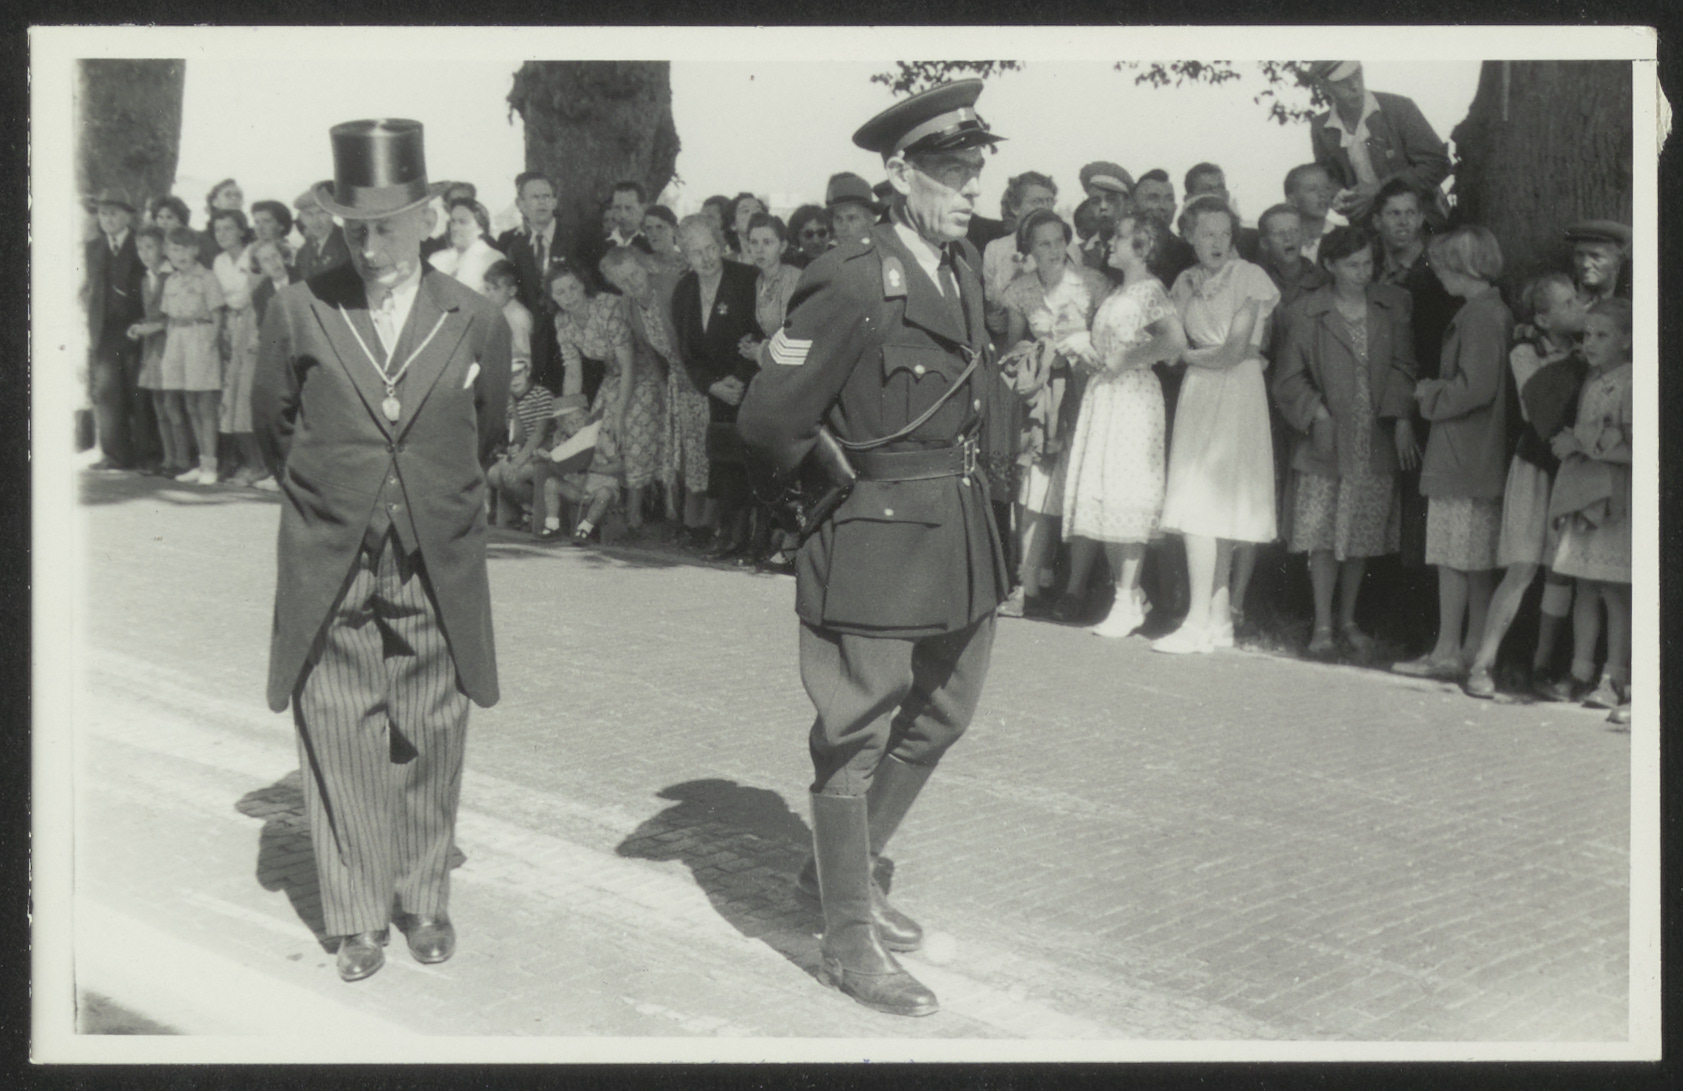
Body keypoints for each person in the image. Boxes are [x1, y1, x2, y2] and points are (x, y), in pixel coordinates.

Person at [737, 78, 1008, 1019]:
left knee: (944, 713)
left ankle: (831, 876)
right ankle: (847, 938)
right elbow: (767, 419)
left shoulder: (958, 265)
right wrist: (828, 492)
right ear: (899, 172)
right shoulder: (853, 274)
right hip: (875, 538)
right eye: (951, 172)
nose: (969, 188)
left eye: (974, 169)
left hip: (959, 531)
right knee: (854, 735)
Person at [251, 118, 512, 983]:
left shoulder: (476, 319)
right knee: (338, 721)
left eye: (387, 229)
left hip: (434, 552)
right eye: (354, 230)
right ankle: (359, 913)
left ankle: (423, 895)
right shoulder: (300, 309)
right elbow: (273, 425)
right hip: (333, 551)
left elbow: (487, 431)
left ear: (427, 220)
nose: (370, 249)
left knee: (431, 723)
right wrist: (335, 499)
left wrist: (427, 497)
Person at [1272, 226, 1417, 659]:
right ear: (1330, 265)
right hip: (1328, 437)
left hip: (1375, 436)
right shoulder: (1305, 312)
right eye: (1352, 265)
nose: (1362, 272)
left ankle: (1348, 619)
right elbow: (1287, 378)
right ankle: (1321, 624)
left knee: (1361, 535)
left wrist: (1401, 417)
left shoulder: (1391, 306)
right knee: (1322, 535)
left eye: (1368, 263)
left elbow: (1404, 366)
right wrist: (1316, 412)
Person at [1155, 197, 1282, 654]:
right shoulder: (1184, 282)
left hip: (1236, 391)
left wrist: (1189, 356)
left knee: (1208, 504)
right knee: (1202, 501)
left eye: (1225, 233)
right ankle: (1217, 619)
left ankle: (1196, 623)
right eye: (1207, 233)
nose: (1217, 242)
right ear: (1189, 235)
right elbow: (1167, 345)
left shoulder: (1250, 277)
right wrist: (1183, 329)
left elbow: (1233, 350)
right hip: (1200, 392)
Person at [1056, 212, 1186, 638]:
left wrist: (1125, 359)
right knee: (1106, 496)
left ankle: (1126, 598)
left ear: (1142, 247)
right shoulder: (1118, 292)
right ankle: (1128, 597)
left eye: (1119, 237)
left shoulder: (1150, 290)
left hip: (1133, 399)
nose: (1110, 243)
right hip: (1106, 397)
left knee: (1126, 496)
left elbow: (1174, 341)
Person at [1392, 226, 1511, 680]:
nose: (1438, 273)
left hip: (1463, 452)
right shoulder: (1492, 311)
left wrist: (1429, 393)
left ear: (1464, 266)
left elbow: (1475, 387)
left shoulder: (1479, 316)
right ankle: (1469, 649)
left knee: (1451, 558)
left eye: (1443, 265)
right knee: (1475, 560)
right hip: (1480, 456)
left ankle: (1446, 651)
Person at [1462, 273, 1587, 699]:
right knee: (1522, 567)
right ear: (1542, 319)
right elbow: (1539, 411)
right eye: (1567, 304)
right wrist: (1577, 362)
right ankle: (1483, 663)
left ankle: (1542, 668)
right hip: (1534, 468)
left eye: (1577, 299)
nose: (1578, 307)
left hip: (1571, 470)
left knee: (1560, 570)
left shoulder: (1589, 349)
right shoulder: (1525, 351)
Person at [996, 208, 1109, 620]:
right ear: (1029, 249)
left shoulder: (1093, 283)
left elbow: (1113, 337)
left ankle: (1075, 591)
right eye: (1044, 243)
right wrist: (1036, 354)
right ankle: (1027, 586)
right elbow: (1014, 346)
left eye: (1059, 240)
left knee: (1083, 485)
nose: (1054, 249)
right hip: (1046, 400)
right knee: (1035, 489)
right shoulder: (1021, 290)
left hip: (1088, 392)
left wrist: (1082, 343)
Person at [1544, 298, 1632, 721]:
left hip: (1614, 498)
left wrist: (1580, 443)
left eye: (1603, 335)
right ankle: (1580, 671)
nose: (1591, 343)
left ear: (1627, 340)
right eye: (1587, 334)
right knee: (1584, 584)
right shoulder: (1592, 381)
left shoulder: (1631, 382)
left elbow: (1636, 446)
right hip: (1585, 495)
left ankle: (1612, 678)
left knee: (1613, 589)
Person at [672, 214, 761, 558]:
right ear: (686, 255)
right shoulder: (683, 291)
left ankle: (748, 537)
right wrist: (711, 385)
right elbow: (687, 352)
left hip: (749, 383)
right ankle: (727, 533)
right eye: (697, 252)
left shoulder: (746, 279)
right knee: (722, 460)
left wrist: (738, 378)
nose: (707, 258)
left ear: (720, 244)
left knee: (748, 459)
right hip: (715, 391)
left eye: (710, 248)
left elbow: (758, 331)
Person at [536, 265, 645, 539]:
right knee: (592, 431)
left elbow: (629, 364)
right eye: (561, 292)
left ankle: (634, 517)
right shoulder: (563, 321)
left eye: (573, 288)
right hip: (613, 376)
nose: (569, 296)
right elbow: (573, 371)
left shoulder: (607, 307)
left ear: (583, 285)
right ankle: (596, 514)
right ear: (553, 297)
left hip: (642, 373)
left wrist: (619, 412)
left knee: (626, 431)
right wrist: (568, 415)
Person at [1307, 60, 1452, 225]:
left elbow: (1438, 164)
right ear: (1324, 87)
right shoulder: (1321, 127)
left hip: (1423, 224)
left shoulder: (1400, 108)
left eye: (1357, 74)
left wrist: (1381, 189)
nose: (1355, 86)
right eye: (1342, 81)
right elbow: (1327, 177)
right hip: (1368, 232)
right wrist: (1339, 196)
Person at [82, 186, 149, 471]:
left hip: (137, 327)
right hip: (105, 330)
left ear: (127, 217)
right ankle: (115, 456)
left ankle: (148, 456)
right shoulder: (93, 247)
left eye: (113, 213)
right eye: (102, 213)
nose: (107, 219)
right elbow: (88, 287)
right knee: (108, 393)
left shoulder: (141, 244)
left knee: (138, 393)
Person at [158, 225, 224, 485]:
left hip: (200, 336)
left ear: (195, 250)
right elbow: (169, 318)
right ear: (168, 253)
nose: (180, 255)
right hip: (177, 339)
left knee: (204, 404)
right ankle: (201, 462)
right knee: (189, 404)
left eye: (185, 249)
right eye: (174, 249)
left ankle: (211, 465)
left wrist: (209, 344)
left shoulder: (207, 278)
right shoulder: (171, 281)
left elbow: (217, 315)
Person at [494, 171, 569, 396]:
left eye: (547, 196)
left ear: (555, 202)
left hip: (574, 346)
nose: (542, 202)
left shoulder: (577, 238)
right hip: (538, 350)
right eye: (535, 197)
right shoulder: (517, 249)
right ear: (521, 205)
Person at [210, 208, 264, 485]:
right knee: (228, 396)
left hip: (254, 321)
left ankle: (260, 464)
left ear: (242, 230)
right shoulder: (219, 261)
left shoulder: (253, 253)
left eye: (228, 228)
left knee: (247, 394)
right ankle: (236, 462)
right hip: (230, 324)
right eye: (218, 229)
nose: (222, 234)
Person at [127, 225, 184, 475]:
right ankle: (167, 460)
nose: (144, 253)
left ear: (162, 248)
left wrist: (152, 327)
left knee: (172, 405)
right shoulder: (145, 279)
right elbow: (150, 315)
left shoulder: (172, 276)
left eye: (150, 247)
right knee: (159, 407)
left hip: (171, 345)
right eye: (140, 248)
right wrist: (140, 327)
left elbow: (175, 315)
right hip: (152, 349)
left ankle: (182, 460)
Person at [981, 171, 1057, 340]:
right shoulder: (996, 249)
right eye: (1037, 202)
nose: (1045, 208)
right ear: (1015, 207)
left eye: (1050, 201)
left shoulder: (1068, 247)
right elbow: (993, 314)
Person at [486, 357, 554, 528]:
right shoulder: (509, 401)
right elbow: (515, 435)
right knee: (493, 474)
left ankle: (538, 510)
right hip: (525, 452)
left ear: (528, 372)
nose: (514, 379)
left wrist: (517, 462)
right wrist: (513, 449)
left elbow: (539, 434)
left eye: (518, 373)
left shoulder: (542, 395)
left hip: (544, 453)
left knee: (512, 475)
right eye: (509, 376)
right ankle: (526, 509)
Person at [1255, 204, 1328, 313]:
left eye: (1294, 231)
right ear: (1264, 243)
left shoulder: (1323, 282)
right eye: (1279, 233)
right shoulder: (1255, 281)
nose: (1288, 238)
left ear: (1302, 236)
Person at [1182, 163, 1260, 262]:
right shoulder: (1180, 249)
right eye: (1207, 189)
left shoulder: (1253, 240)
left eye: (1220, 188)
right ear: (1189, 199)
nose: (1217, 194)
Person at [1133, 169, 1198, 287]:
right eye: (1153, 198)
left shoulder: (1188, 254)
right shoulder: (1119, 249)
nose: (1163, 207)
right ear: (1134, 205)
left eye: (1169, 199)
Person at [427, 198, 505, 296]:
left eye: (463, 222)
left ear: (480, 228)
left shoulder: (493, 259)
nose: (455, 228)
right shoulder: (436, 258)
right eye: (453, 221)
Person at [482, 260, 533, 377]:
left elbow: (524, 356)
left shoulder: (518, 315)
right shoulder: (499, 309)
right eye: (487, 289)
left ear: (512, 291)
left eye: (495, 289)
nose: (489, 295)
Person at [293, 184, 351, 281]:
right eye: (309, 214)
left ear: (332, 213)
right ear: (301, 218)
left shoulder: (349, 242)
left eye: (321, 212)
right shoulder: (302, 253)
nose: (316, 221)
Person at [1566, 220, 1632, 304]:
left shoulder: (1632, 299)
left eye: (1595, 256)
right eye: (1579, 255)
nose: (1585, 264)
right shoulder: (1562, 298)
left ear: (1618, 260)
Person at [1283, 163, 1338, 263]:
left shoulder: (1344, 237)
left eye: (1327, 188)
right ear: (1292, 201)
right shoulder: (1283, 242)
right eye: (1312, 189)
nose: (1323, 194)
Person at [824, 172, 880, 247]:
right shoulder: (829, 254)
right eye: (838, 219)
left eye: (851, 218)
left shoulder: (886, 251)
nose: (844, 227)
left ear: (869, 221)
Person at [641, 204, 687, 278]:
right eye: (649, 228)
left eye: (659, 227)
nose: (654, 233)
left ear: (674, 229)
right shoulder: (642, 266)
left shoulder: (688, 263)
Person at [726, 192, 766, 261]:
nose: (754, 214)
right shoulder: (726, 262)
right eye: (746, 211)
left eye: (758, 211)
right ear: (733, 224)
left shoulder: (778, 258)